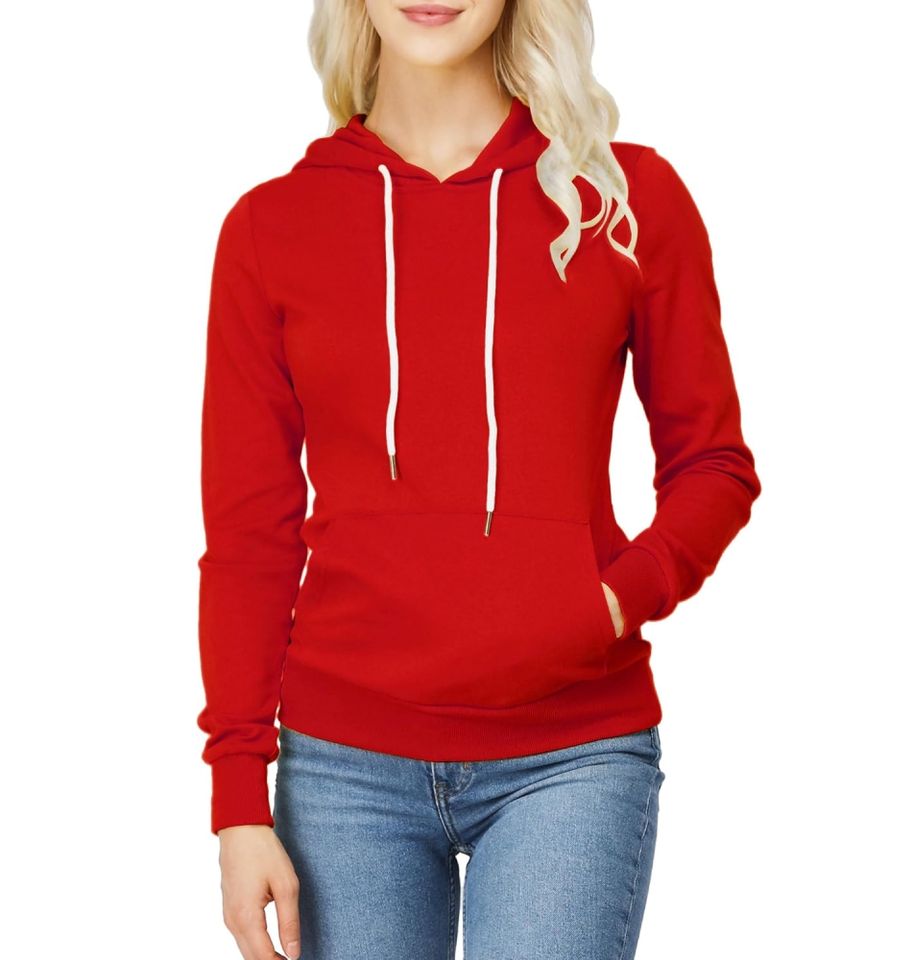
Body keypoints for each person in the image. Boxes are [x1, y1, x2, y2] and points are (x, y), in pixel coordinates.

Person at [195, 1, 762, 957]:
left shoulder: (625, 201)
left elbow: (714, 465)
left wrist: (611, 602)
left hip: (572, 756)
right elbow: (250, 537)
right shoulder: (272, 228)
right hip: (344, 769)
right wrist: (237, 801)